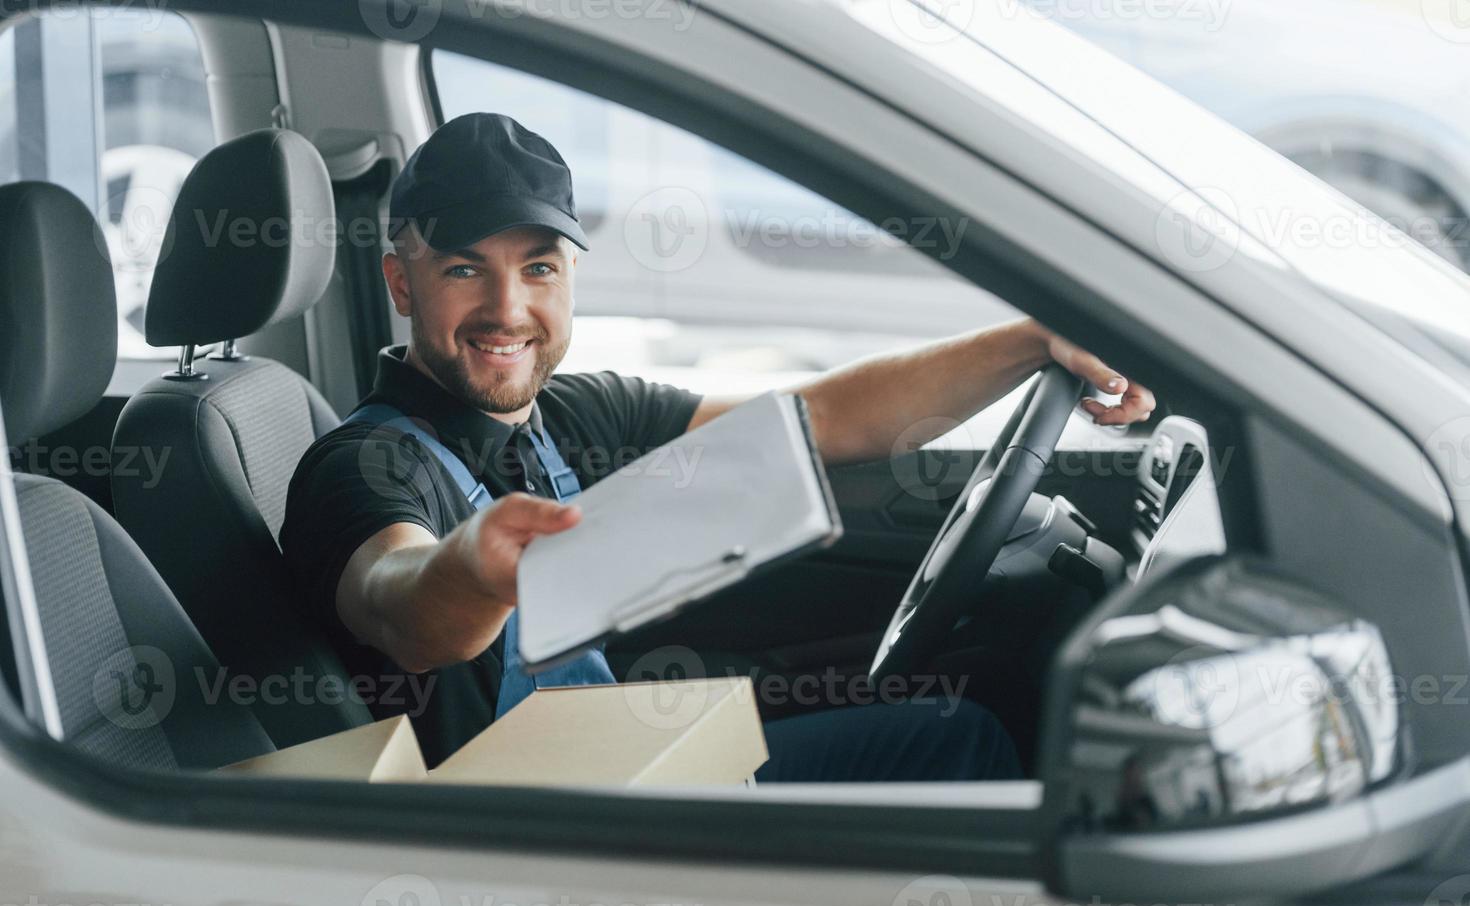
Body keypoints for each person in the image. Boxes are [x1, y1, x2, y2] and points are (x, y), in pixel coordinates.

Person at [279, 113, 1154, 780]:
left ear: (571, 277)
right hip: (527, 843)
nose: (508, 309)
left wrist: (1032, 342)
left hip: (610, 769)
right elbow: (396, 603)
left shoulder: (578, 415)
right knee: (957, 744)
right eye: (465, 269)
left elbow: (826, 418)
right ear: (402, 282)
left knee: (946, 721)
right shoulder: (361, 465)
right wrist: (469, 573)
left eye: (538, 268)